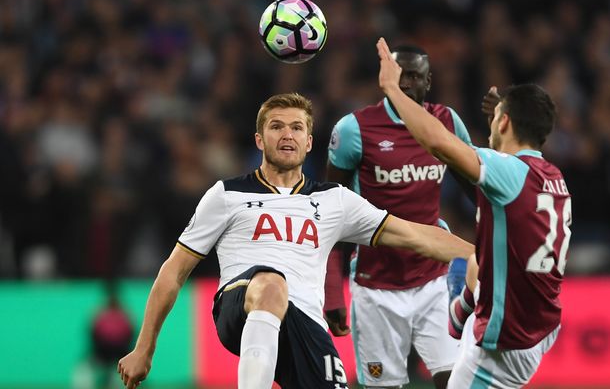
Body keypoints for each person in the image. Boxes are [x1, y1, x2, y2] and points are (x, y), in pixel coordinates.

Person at [116, 93, 474, 389]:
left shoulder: (335, 200)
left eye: (296, 127)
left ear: (308, 141)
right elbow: (174, 271)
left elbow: (414, 235)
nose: (286, 134)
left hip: (305, 323)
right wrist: (144, 348)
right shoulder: (226, 194)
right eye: (276, 127)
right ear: (260, 140)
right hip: (241, 305)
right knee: (272, 284)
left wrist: (484, 254)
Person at [376, 38, 571, 388]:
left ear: (505, 122)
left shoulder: (507, 172)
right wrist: (509, 116)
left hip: (507, 338)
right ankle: (463, 308)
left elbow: (440, 144)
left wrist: (393, 89)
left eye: (496, 118)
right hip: (539, 321)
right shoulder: (554, 178)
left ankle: (463, 308)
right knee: (477, 259)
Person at [323, 45, 473, 389]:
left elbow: (479, 192)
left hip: (435, 281)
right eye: (399, 75)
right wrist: (333, 291)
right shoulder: (354, 130)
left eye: (415, 76)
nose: (406, 83)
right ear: (385, 78)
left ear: (428, 82)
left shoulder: (447, 123)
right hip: (376, 286)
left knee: (457, 382)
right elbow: (330, 215)